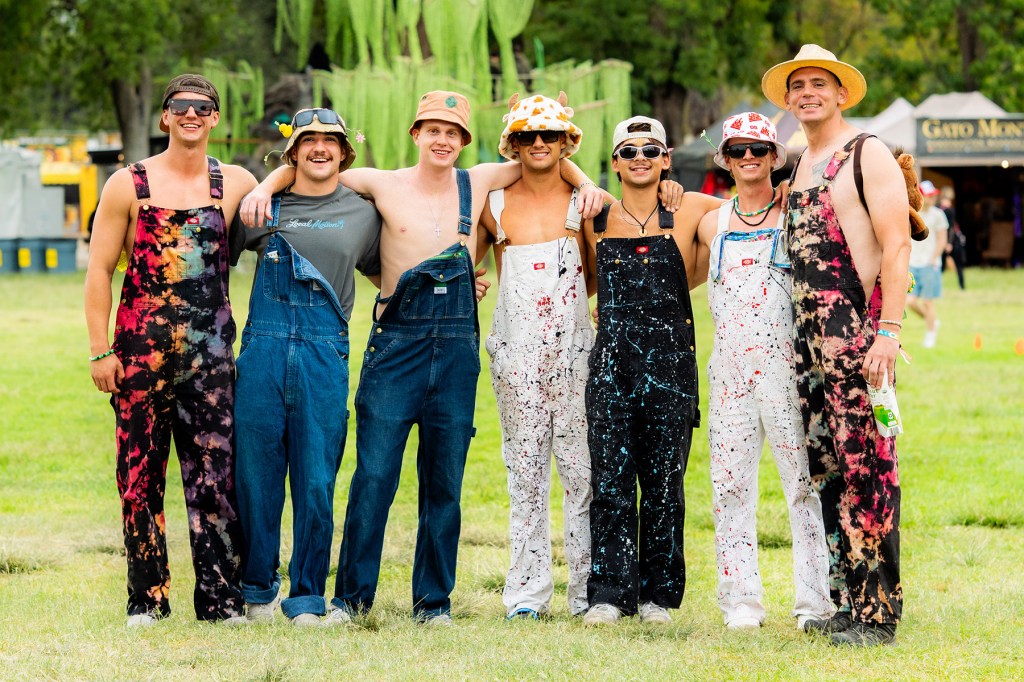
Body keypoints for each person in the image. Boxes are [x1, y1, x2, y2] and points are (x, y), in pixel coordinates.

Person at [241, 91, 605, 624]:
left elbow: (544, 158)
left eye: (452, 132)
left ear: (465, 141)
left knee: (444, 482)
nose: (442, 140)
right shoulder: (380, 183)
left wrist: (588, 183)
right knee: (374, 477)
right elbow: (313, 170)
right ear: (416, 134)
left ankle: (433, 602)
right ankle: (351, 599)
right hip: (395, 344)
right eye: (433, 129)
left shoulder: (479, 180)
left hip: (454, 347)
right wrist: (265, 184)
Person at [84, 74, 257, 627]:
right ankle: (147, 600)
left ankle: (221, 602)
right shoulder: (127, 184)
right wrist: (100, 350)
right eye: (180, 106)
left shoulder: (235, 183)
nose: (191, 114)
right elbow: (99, 271)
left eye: (202, 107)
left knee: (215, 478)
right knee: (138, 477)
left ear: (215, 118)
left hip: (210, 360)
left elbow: (284, 223)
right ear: (164, 116)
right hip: (140, 356)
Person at [762, 44, 909, 646]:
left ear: (841, 93)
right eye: (798, 86)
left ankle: (879, 614)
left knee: (868, 470)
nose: (808, 93)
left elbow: (897, 245)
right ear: (788, 99)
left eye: (819, 83)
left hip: (856, 336)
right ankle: (846, 602)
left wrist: (888, 333)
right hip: (807, 345)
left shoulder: (866, 153)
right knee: (828, 471)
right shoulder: (798, 163)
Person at [230, 109, 382, 627]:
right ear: (293, 152)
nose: (320, 148)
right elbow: (213, 263)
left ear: (344, 152)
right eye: (309, 140)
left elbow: (388, 271)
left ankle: (307, 598)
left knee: (316, 481)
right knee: (256, 477)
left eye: (330, 141)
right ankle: (257, 591)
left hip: (324, 354)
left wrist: (449, 281)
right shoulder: (262, 207)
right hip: (263, 352)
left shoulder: (363, 213)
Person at [693, 112, 832, 631]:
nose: (748, 157)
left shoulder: (796, 209)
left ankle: (815, 603)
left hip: (789, 371)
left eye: (758, 149)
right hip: (729, 373)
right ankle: (741, 603)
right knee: (729, 487)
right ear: (725, 160)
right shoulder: (711, 222)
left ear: (775, 157)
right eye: (738, 150)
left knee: (804, 486)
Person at [580, 116, 719, 626]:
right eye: (629, 151)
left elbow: (759, 207)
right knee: (610, 484)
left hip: (671, 368)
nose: (640, 158)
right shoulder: (593, 216)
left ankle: (658, 597)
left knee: (664, 487)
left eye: (651, 150)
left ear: (666, 159)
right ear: (615, 163)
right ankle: (609, 595)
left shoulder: (695, 209)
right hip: (611, 370)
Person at [478, 93, 595, 621]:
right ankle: (526, 593)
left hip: (574, 352)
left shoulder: (584, 204)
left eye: (550, 134)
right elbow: (464, 262)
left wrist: (586, 181)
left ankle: (588, 590)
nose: (539, 143)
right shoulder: (493, 204)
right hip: (516, 355)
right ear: (513, 143)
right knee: (524, 471)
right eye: (528, 135)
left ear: (567, 141)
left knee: (581, 470)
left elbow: (596, 277)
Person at [907, 180, 948, 348]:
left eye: (933, 196)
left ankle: (930, 334)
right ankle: (932, 321)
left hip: (930, 264)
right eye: (928, 196)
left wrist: (933, 259)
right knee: (910, 302)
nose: (932, 199)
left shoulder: (938, 215)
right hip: (913, 263)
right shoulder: (912, 213)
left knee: (928, 302)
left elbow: (942, 239)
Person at [939, 188, 966, 290]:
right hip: (946, 239)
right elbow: (950, 227)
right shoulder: (943, 209)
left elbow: (951, 227)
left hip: (951, 241)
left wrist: (949, 243)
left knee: (957, 265)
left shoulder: (946, 209)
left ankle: (962, 286)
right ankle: (938, 286)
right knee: (941, 265)